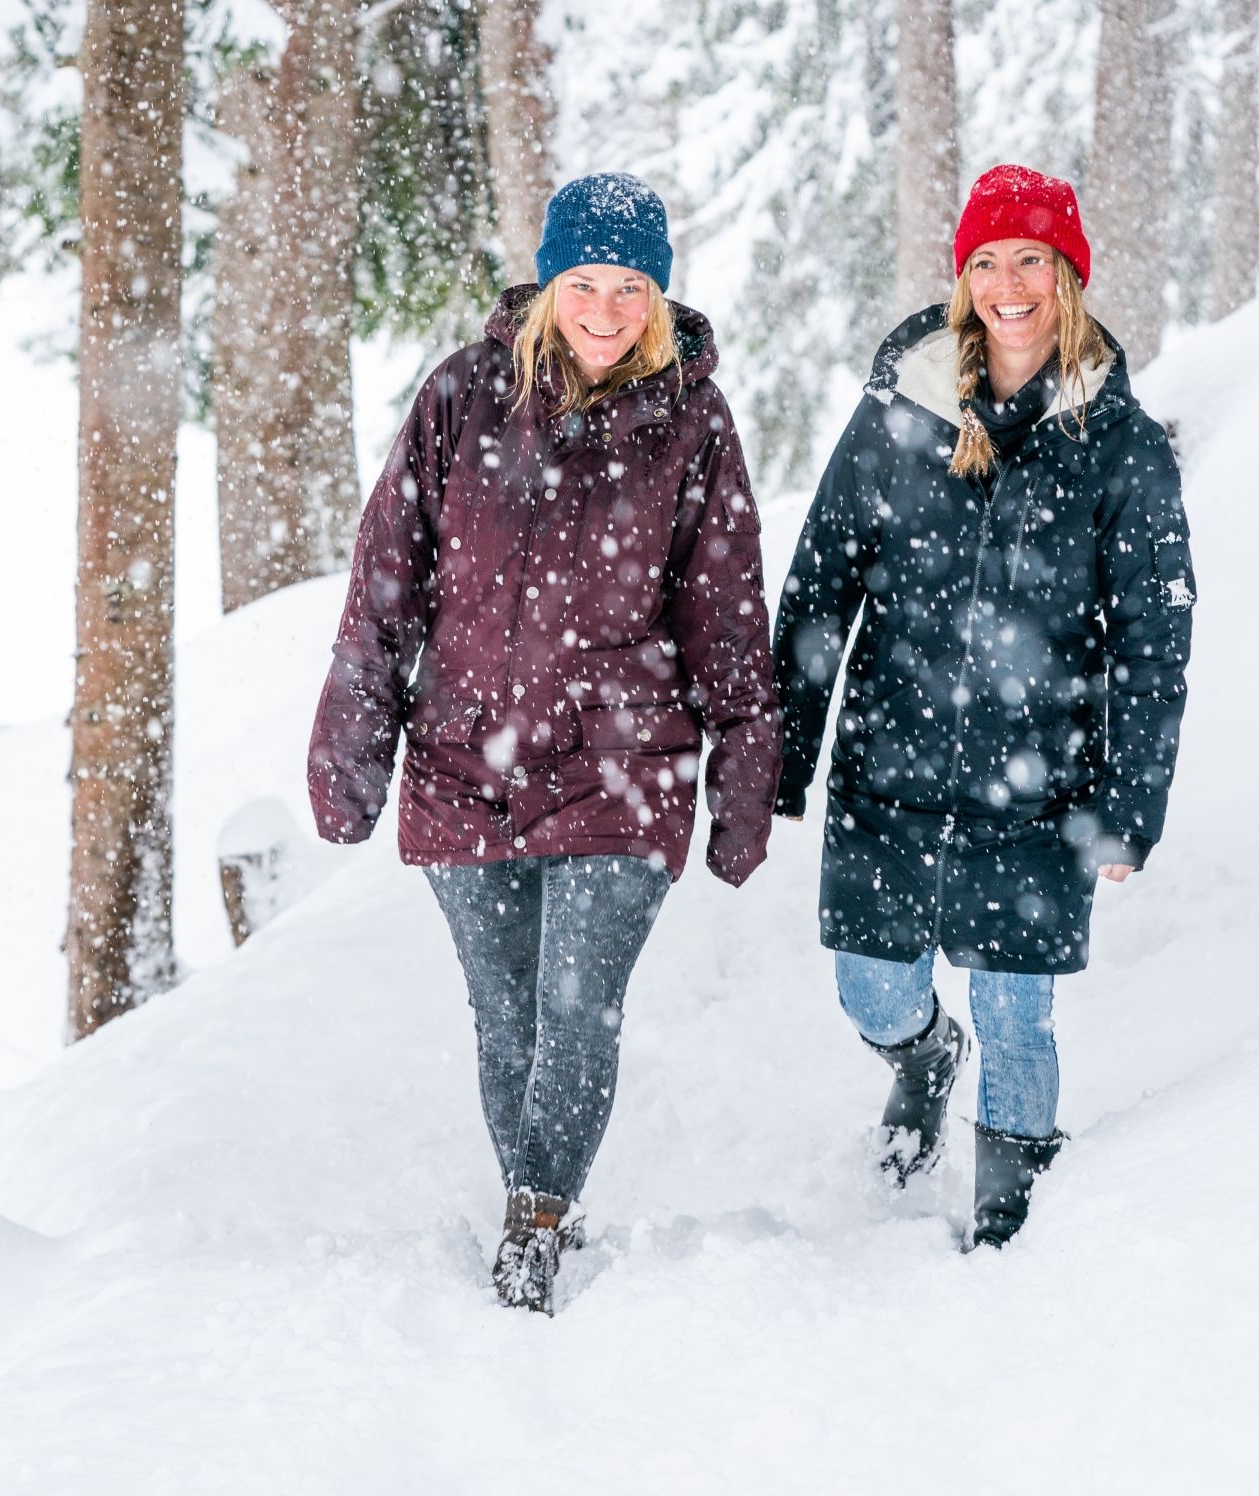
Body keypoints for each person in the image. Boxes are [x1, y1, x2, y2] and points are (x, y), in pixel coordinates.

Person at [308, 173, 780, 1312]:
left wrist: (743, 774)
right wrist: (351, 755)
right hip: (466, 759)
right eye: (585, 284)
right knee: (505, 1013)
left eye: (630, 289)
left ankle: (536, 1221)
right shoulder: (462, 398)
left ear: (658, 297)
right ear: (546, 284)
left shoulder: (691, 422)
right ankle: (533, 1184)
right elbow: (386, 585)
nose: (607, 311)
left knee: (577, 1006)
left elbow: (723, 606)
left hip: (624, 762)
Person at [773, 164, 1195, 1250]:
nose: (1009, 285)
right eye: (987, 262)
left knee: (1016, 1014)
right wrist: (785, 753)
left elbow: (1153, 645)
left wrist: (1125, 803)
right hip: (888, 773)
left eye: (1032, 262)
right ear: (963, 279)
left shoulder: (1120, 445)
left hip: (1038, 789)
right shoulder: (901, 411)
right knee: (870, 992)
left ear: (1068, 280)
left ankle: (1008, 1231)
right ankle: (921, 1058)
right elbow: (820, 582)